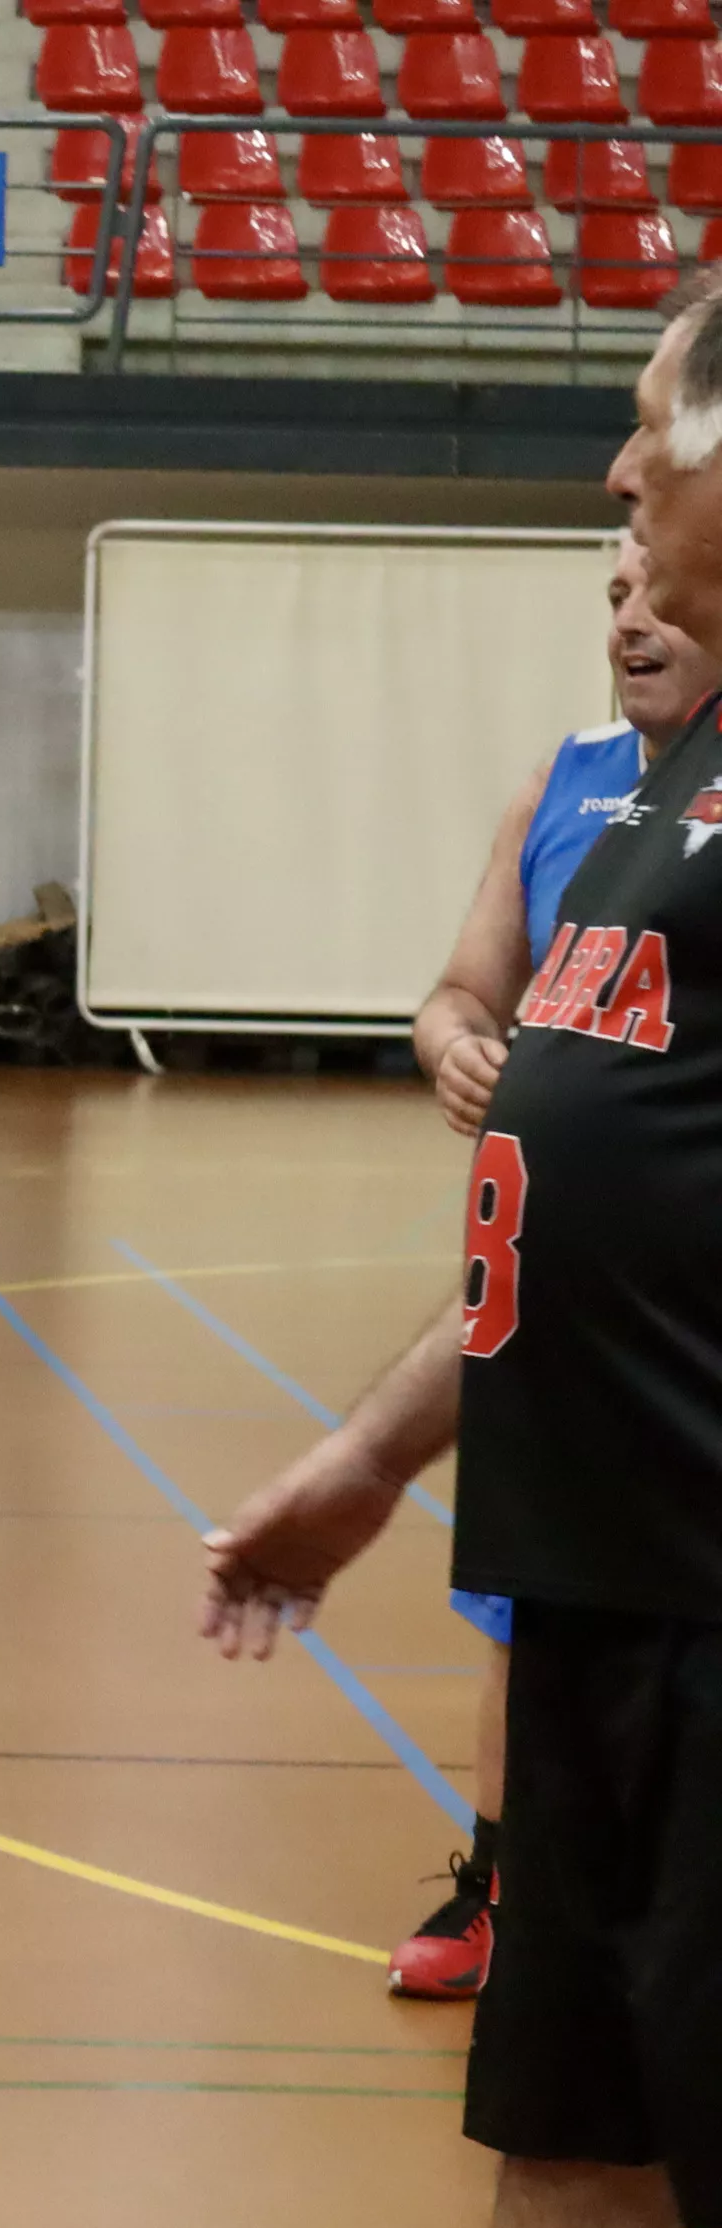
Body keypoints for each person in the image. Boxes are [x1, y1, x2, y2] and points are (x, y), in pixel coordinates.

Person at [200, 274, 722, 2228]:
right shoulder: (652, 797)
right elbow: (576, 1197)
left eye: (652, 437)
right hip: (601, 1593)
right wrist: (369, 1460)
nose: (615, 486)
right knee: (570, 2142)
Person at [389, 538, 719, 1999]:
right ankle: (500, 1880)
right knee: (526, 1603)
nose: (631, 622)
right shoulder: (568, 779)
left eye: (659, 589)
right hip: (548, 1301)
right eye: (611, 598)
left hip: (681, 1322)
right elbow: (462, 983)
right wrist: (456, 1038)